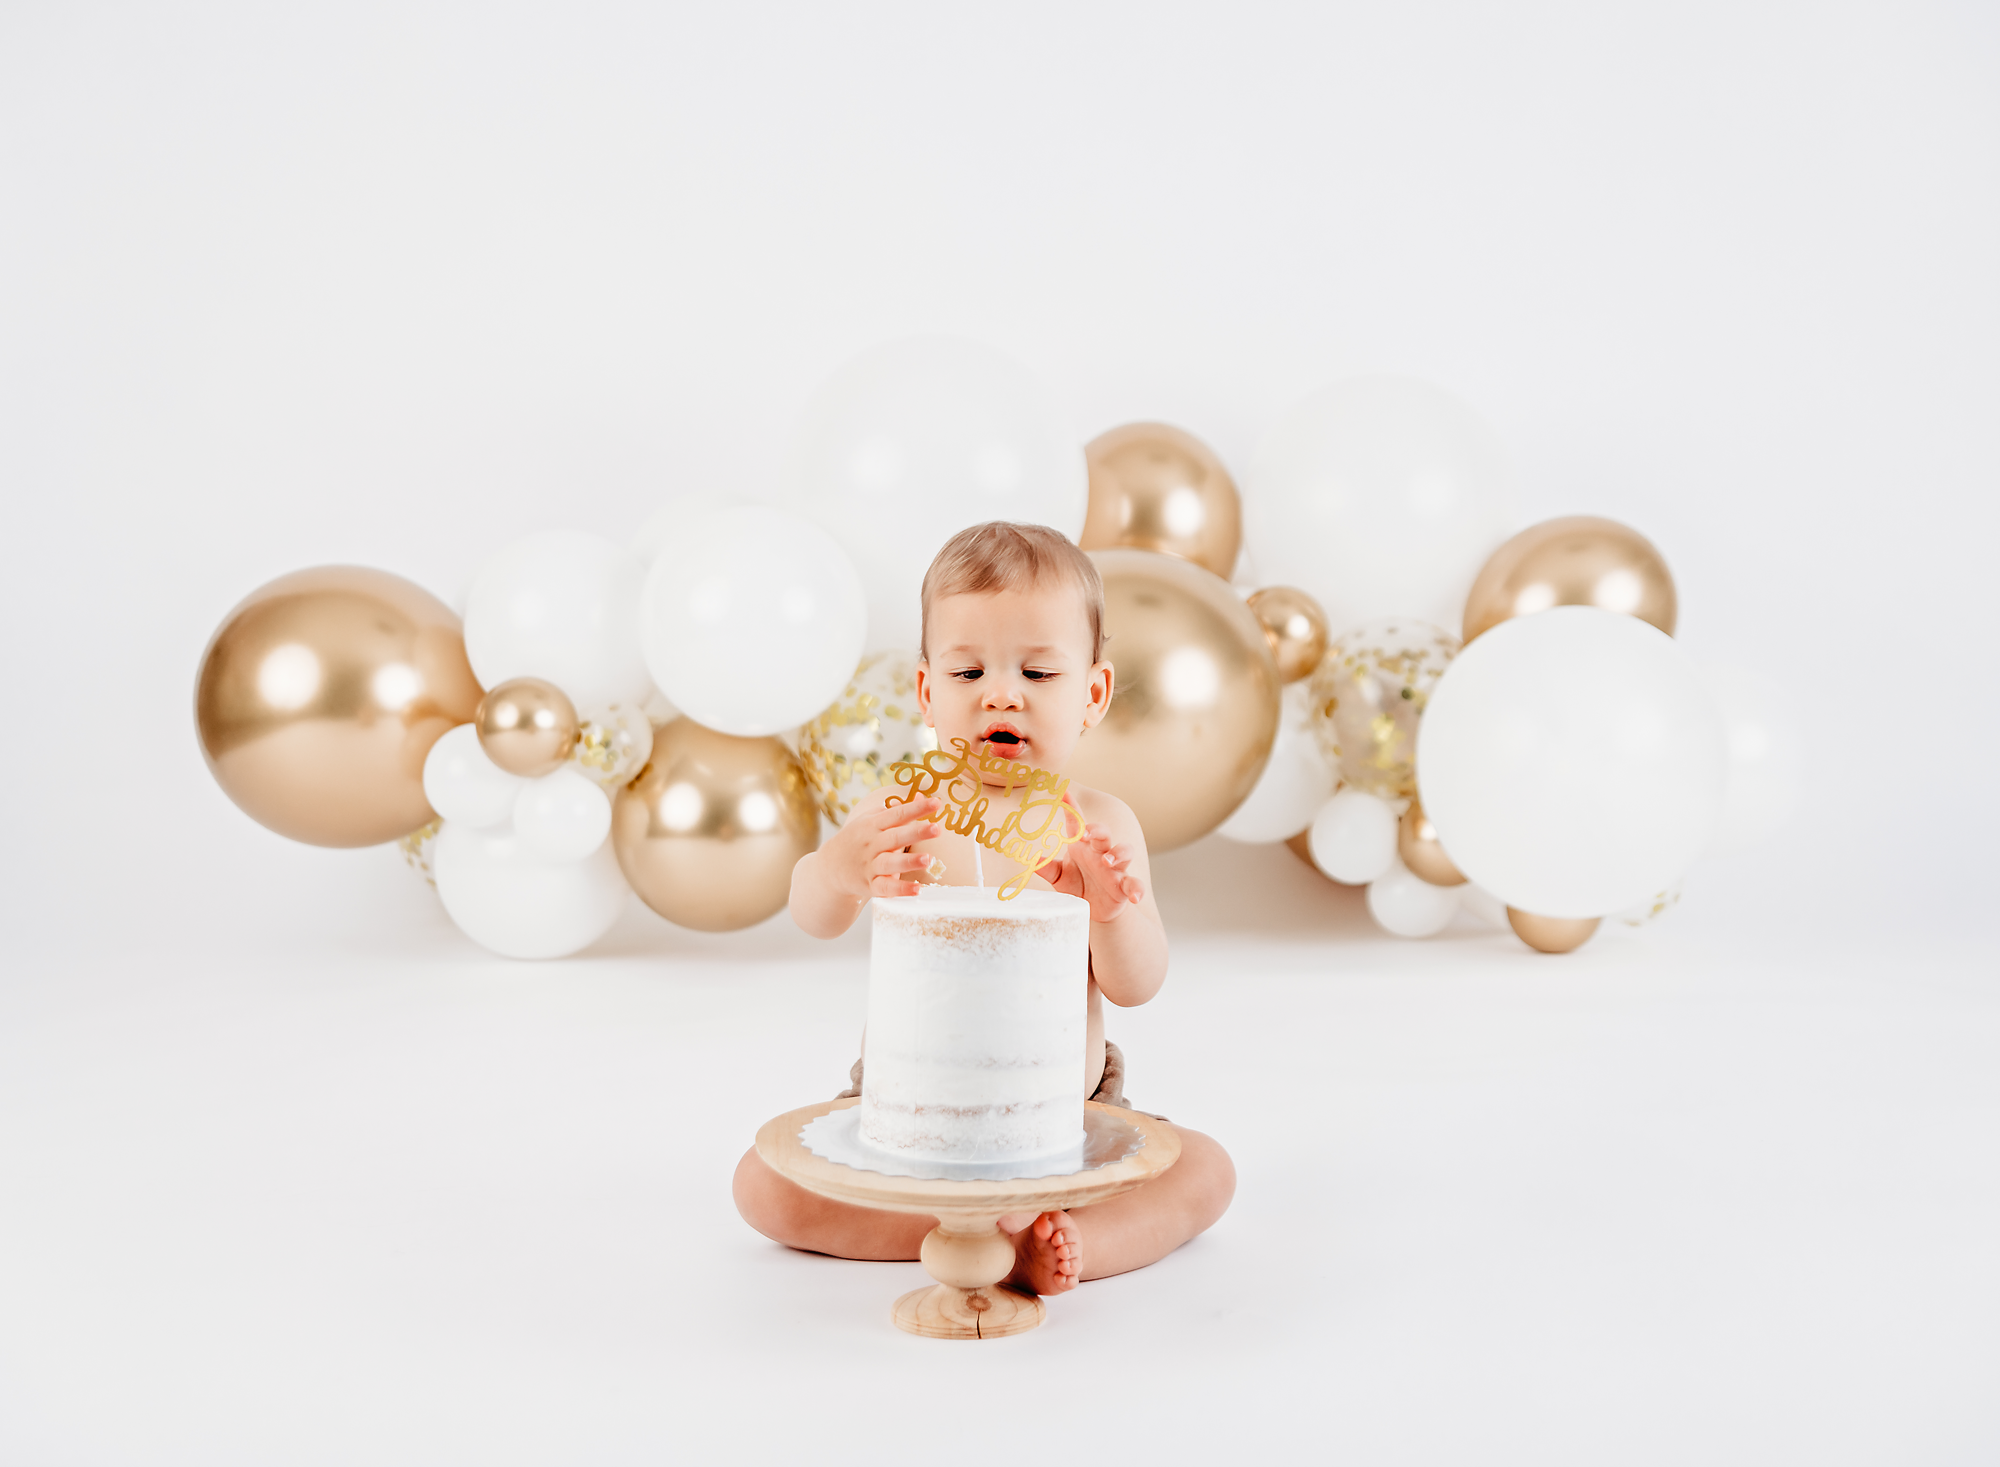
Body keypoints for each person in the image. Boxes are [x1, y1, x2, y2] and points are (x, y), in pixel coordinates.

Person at [732, 521, 1235, 1297]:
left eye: (1037, 671)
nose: (1001, 692)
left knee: (1204, 1170)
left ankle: (1070, 1243)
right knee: (762, 1186)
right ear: (928, 693)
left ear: (1091, 694)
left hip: (1066, 1116)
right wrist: (838, 868)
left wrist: (1109, 909)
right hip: (904, 1108)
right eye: (969, 673)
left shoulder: (1098, 825)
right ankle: (951, 1227)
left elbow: (1137, 984)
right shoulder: (903, 813)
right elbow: (813, 913)